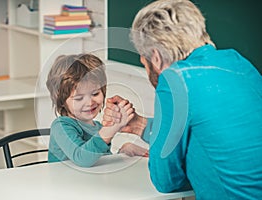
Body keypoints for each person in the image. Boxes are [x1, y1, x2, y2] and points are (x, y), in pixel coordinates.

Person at [102, 0, 262, 199]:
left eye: (143, 60)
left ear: (156, 57)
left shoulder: (174, 79)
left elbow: (166, 181)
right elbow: (209, 134)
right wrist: (139, 125)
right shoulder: (237, 61)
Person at [46, 54, 148, 167]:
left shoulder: (97, 127)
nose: (90, 103)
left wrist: (123, 152)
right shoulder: (61, 126)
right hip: (63, 184)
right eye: (79, 98)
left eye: (95, 94)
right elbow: (82, 158)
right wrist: (110, 129)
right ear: (61, 100)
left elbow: (99, 164)